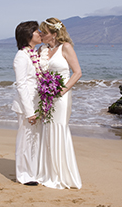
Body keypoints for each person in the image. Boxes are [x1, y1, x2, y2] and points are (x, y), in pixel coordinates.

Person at [37, 17, 82, 189]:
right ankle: (47, 172)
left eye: (44, 32)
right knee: (47, 130)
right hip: (46, 97)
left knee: (58, 128)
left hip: (61, 97)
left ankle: (60, 174)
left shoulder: (66, 47)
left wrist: (62, 91)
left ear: (54, 34)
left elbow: (77, 73)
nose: (41, 35)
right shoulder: (42, 49)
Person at [12, 21, 43, 186]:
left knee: (34, 140)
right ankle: (23, 175)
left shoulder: (35, 54)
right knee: (25, 140)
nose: (40, 34)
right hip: (26, 106)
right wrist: (29, 111)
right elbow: (22, 85)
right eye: (37, 31)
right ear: (28, 35)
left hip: (37, 104)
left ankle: (33, 172)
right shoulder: (21, 57)